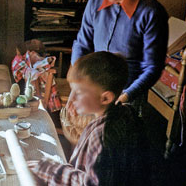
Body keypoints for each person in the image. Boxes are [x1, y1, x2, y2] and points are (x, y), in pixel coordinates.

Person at [28, 51, 150, 185]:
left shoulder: (101, 136)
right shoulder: (124, 114)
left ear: (105, 98)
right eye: (72, 90)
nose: (72, 99)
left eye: (78, 92)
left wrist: (48, 169)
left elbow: (92, 183)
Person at [71, 0, 169, 110]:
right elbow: (82, 44)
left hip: (128, 99)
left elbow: (152, 67)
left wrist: (125, 96)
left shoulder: (152, 13)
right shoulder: (95, 2)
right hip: (91, 92)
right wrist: (78, 83)